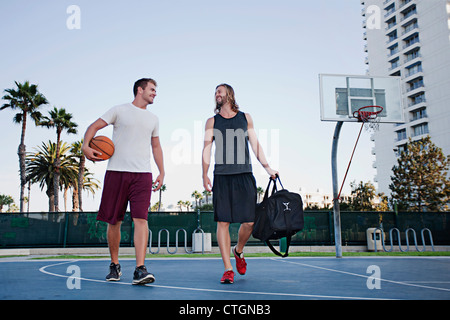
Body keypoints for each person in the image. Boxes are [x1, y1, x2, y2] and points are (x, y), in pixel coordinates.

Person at [82, 78, 165, 285]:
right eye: (152, 89)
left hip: (142, 175)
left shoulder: (153, 119)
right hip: (116, 172)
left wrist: (161, 172)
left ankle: (140, 269)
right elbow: (94, 126)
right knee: (114, 221)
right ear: (140, 89)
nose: (155, 93)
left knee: (141, 220)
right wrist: (85, 146)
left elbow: (156, 147)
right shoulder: (119, 110)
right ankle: (114, 264)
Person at [202, 83, 278, 284]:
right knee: (223, 222)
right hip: (222, 176)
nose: (216, 94)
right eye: (215, 92)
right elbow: (207, 148)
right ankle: (228, 269)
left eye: (219, 90)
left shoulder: (246, 118)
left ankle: (239, 250)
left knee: (249, 222)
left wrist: (268, 168)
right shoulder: (212, 121)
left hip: (244, 174)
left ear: (229, 94)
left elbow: (255, 144)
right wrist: (204, 174)